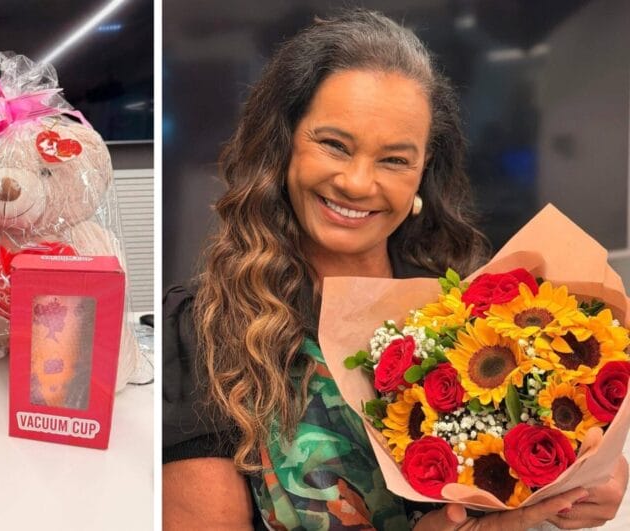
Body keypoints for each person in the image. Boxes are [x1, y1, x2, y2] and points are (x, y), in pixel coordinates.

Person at [162, 10, 628, 531]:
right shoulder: (205, 328)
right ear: (283, 144)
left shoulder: (476, 303)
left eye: (394, 160)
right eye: (334, 145)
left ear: (423, 173)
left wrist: (599, 473)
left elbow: (570, 432)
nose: (358, 183)